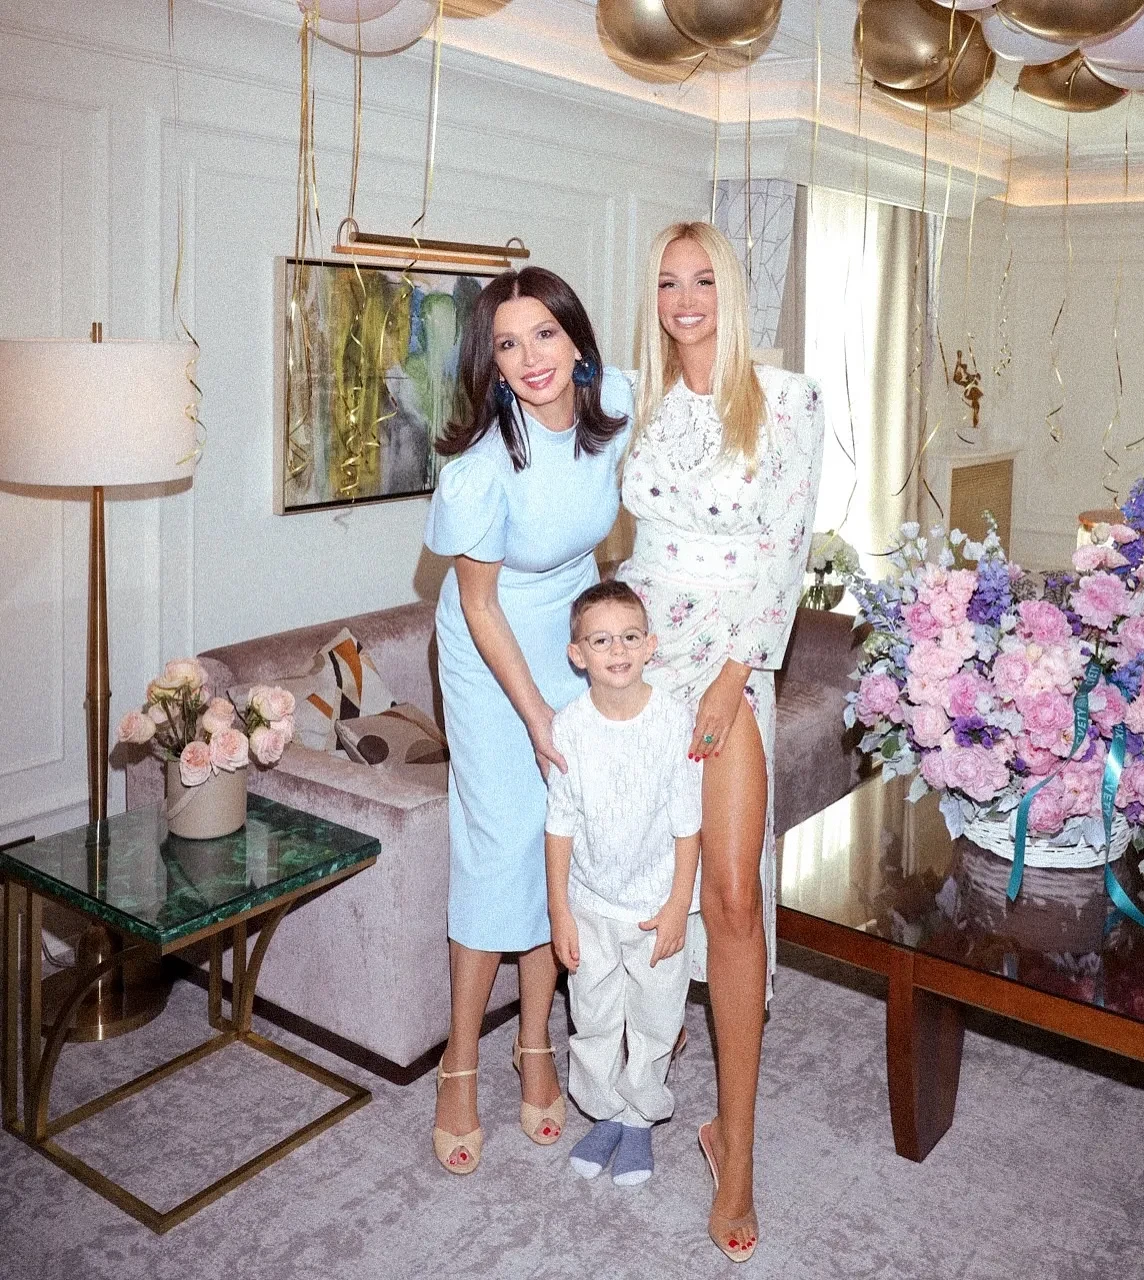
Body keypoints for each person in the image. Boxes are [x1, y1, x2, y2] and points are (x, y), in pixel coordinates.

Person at [618, 221, 824, 1261]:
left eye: (703, 280)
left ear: (731, 291)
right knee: (635, 881)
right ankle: (619, 1082)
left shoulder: (784, 398)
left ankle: (734, 1147)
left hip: (732, 657)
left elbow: (787, 548)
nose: (685, 298)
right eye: (668, 282)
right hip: (639, 654)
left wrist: (733, 676)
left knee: (735, 895)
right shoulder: (636, 403)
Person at [423, 267, 633, 1175]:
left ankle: (536, 1041)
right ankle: (458, 1062)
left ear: (577, 339)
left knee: (563, 840)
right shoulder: (479, 471)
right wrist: (539, 713)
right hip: (491, 651)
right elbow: (478, 607)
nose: (530, 357)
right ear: (491, 362)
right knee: (500, 842)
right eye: (507, 344)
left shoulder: (613, 404)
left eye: (544, 333)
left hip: (570, 633)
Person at [544, 580, 702, 1187]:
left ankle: (640, 1116)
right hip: (589, 906)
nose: (618, 650)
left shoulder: (672, 720)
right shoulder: (569, 728)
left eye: (630, 637)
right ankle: (605, 1111)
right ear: (577, 653)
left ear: (650, 645)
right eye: (601, 640)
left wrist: (678, 906)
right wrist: (560, 911)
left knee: (656, 1017)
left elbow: (688, 824)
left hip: (657, 907)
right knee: (593, 1016)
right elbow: (559, 827)